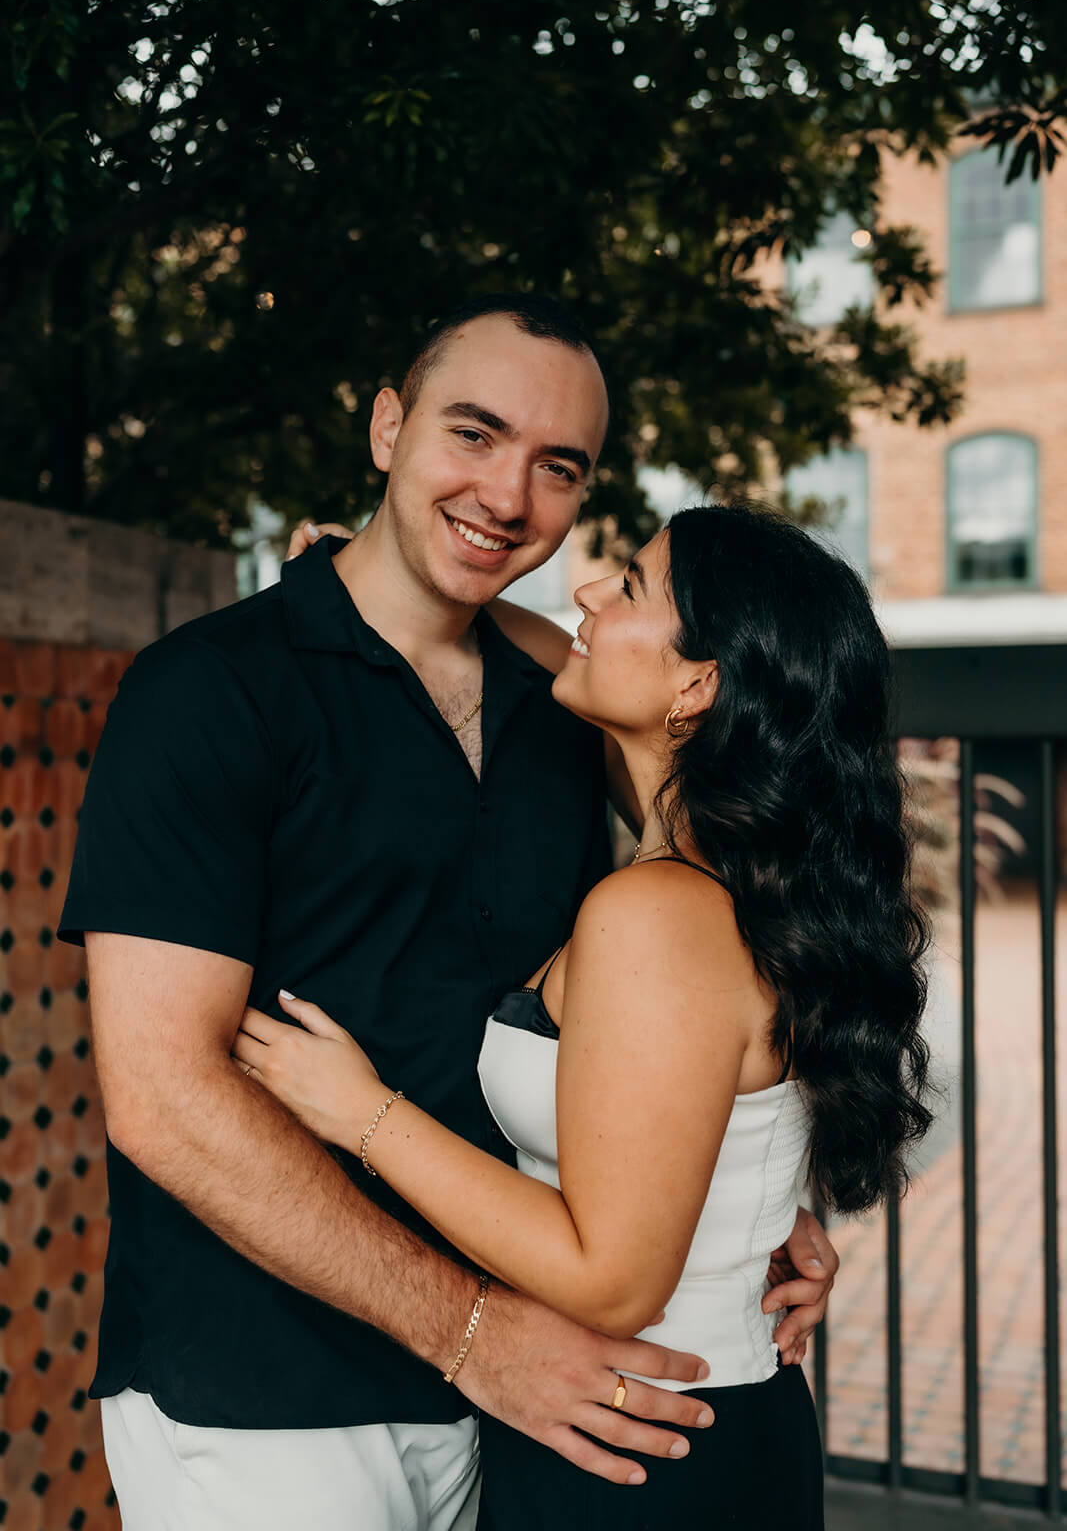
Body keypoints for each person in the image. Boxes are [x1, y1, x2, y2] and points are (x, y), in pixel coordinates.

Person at [59, 296, 837, 1531]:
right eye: (471, 434)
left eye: (556, 467)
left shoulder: (562, 710)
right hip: (268, 1388)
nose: (507, 495)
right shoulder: (209, 692)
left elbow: (692, 994)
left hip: (532, 1394)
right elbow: (163, 1098)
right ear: (386, 426)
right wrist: (468, 1332)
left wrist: (739, 1205)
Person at [236, 503, 933, 1529]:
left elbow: (610, 1280)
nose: (584, 593)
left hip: (640, 1448)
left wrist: (362, 1114)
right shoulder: (739, 884)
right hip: (679, 1422)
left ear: (695, 686)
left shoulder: (656, 915)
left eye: (632, 588)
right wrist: (381, 576)